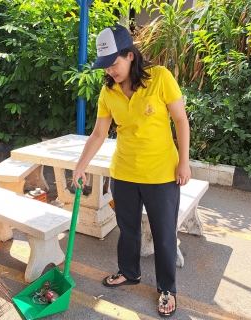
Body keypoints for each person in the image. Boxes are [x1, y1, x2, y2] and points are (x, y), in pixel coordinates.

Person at [72, 25, 190, 318]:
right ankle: (129, 272)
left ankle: (167, 288)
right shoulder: (108, 90)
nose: (111, 71)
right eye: (106, 66)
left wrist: (184, 162)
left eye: (115, 64)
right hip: (124, 172)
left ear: (130, 55)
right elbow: (99, 133)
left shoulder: (160, 77)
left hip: (161, 174)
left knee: (163, 234)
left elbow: (180, 120)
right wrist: (80, 166)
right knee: (127, 230)